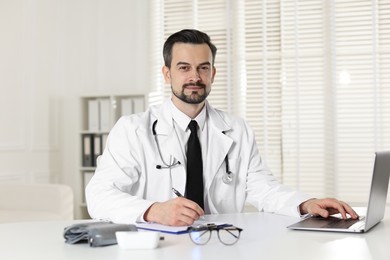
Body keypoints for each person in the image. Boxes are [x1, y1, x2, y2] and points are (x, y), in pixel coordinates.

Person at [86, 29, 358, 226]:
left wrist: (305, 203)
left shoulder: (237, 129)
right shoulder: (133, 130)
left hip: (224, 243)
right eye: (184, 68)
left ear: (213, 74)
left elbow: (262, 188)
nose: (195, 77)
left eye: (203, 68)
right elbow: (98, 196)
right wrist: (153, 210)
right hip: (158, 246)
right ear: (167, 74)